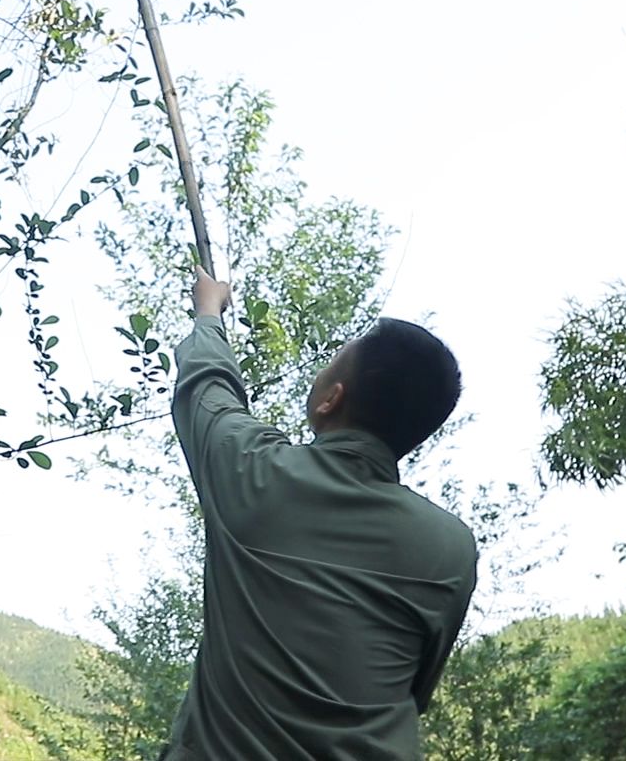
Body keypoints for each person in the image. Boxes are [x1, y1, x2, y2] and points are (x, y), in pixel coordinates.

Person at [161, 268, 478, 761]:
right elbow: (414, 688)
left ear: (332, 399)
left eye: (331, 364)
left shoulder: (254, 474)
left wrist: (208, 313)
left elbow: (208, 391)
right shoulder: (452, 548)